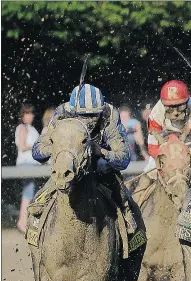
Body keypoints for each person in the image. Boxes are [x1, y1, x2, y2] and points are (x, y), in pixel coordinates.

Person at [32, 83, 137, 233]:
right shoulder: (62, 114)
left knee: (124, 197)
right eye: (83, 116)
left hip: (101, 167)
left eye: (93, 115)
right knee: (42, 196)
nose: (88, 121)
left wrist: (101, 152)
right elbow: (37, 151)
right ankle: (36, 226)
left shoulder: (110, 115)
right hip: (71, 166)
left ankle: (129, 225)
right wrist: (59, 148)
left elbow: (124, 158)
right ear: (73, 112)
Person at [15, 104, 40, 233]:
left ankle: (25, 221)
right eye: (27, 113)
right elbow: (23, 146)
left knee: (31, 191)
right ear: (22, 115)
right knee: (29, 191)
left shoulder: (31, 128)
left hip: (32, 164)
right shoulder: (23, 128)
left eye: (31, 113)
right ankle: (22, 221)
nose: (30, 115)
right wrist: (36, 147)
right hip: (26, 164)